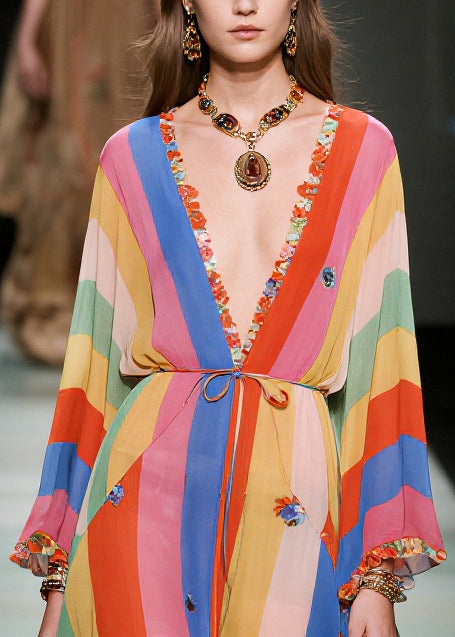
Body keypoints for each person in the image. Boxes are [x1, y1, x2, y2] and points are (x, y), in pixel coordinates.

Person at [10, 1, 446, 636]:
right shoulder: (130, 157)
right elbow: (92, 373)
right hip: (141, 500)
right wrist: (60, 584)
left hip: (293, 507)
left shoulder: (364, 152)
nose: (245, 4)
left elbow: (384, 367)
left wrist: (376, 579)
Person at [0, 0, 156, 364]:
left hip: (131, 28)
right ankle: (55, 306)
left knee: (129, 161)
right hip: (71, 28)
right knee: (68, 164)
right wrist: (27, 42)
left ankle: (124, 315)